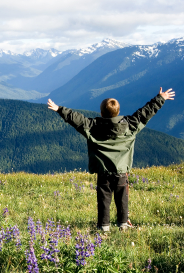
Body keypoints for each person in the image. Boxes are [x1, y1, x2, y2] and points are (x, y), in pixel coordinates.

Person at [47, 88, 175, 231]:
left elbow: (77, 119)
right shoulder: (130, 125)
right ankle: (123, 224)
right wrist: (160, 98)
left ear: (101, 113)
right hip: (121, 172)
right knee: (122, 199)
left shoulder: (93, 126)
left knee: (103, 200)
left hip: (103, 173)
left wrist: (59, 109)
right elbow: (145, 113)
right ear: (118, 112)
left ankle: (104, 227)